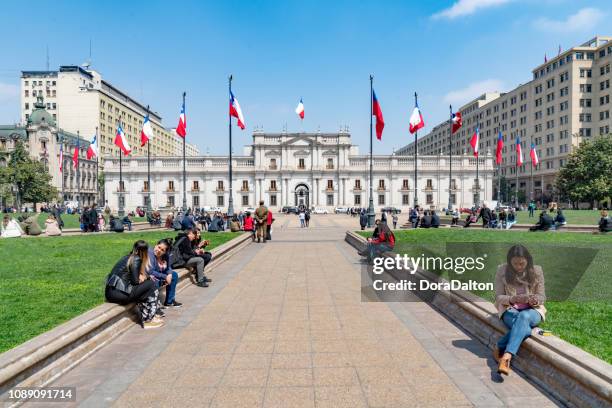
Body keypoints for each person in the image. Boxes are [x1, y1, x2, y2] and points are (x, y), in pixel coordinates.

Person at [494, 245, 546, 375]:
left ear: (528, 260)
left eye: (522, 263)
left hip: (532, 311)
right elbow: (498, 297)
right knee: (525, 328)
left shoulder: (537, 271)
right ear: (509, 262)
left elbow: (542, 295)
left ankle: (504, 353)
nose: (519, 266)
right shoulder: (502, 270)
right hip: (510, 309)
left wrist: (535, 300)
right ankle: (506, 356)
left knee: (524, 317)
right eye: (515, 264)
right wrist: (514, 298)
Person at [105, 240, 164, 329]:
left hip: (112, 292)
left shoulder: (128, 257)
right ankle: (148, 320)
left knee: (146, 287)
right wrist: (143, 278)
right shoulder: (136, 259)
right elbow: (135, 282)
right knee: (151, 285)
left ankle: (150, 315)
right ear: (145, 252)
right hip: (119, 294)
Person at [148, 239, 182, 308]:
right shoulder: (150, 253)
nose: (159, 250)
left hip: (159, 272)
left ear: (165, 252)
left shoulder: (165, 256)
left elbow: (168, 266)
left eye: (162, 250)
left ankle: (169, 301)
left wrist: (169, 274)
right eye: (159, 247)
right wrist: (164, 276)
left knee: (174, 275)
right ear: (156, 244)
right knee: (155, 281)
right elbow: (150, 271)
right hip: (150, 274)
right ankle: (155, 306)